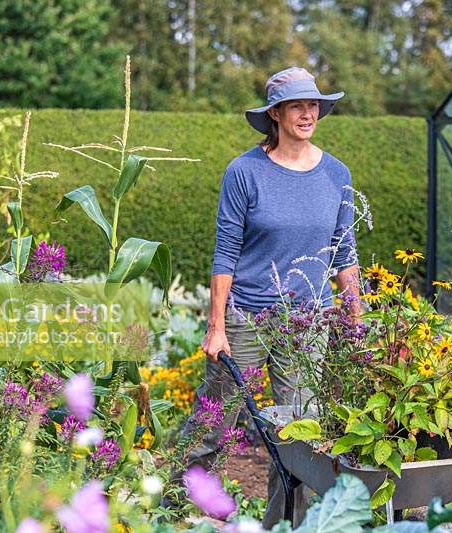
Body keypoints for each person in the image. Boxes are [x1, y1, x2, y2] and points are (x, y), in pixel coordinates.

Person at [187, 66, 361, 526]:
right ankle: (171, 509)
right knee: (213, 424)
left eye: (314, 105)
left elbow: (345, 252)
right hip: (245, 317)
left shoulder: (336, 174)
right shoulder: (245, 172)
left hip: (306, 325)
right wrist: (216, 326)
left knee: (298, 439)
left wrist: (355, 319)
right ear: (276, 115)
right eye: (298, 106)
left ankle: (285, 525)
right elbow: (225, 252)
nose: (309, 113)